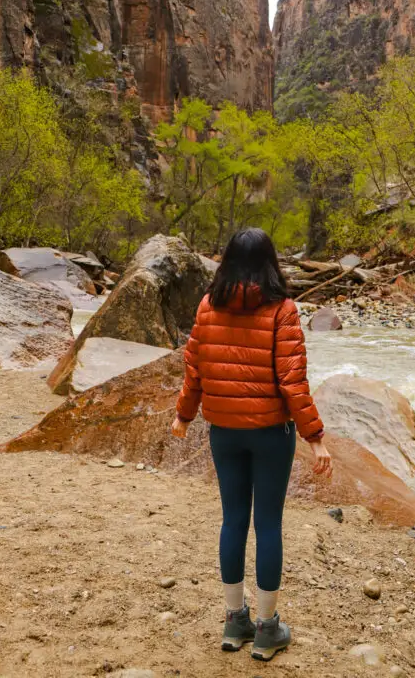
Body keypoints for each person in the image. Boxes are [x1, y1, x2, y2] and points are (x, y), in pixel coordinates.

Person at [172, 227, 332, 661]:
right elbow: (292, 380)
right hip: (269, 435)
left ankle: (233, 621)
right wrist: (314, 437)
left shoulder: (208, 306)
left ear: (226, 261)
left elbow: (195, 371)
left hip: (223, 432)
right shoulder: (282, 310)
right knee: (268, 525)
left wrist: (184, 415)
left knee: (233, 520)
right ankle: (265, 628)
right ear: (270, 262)